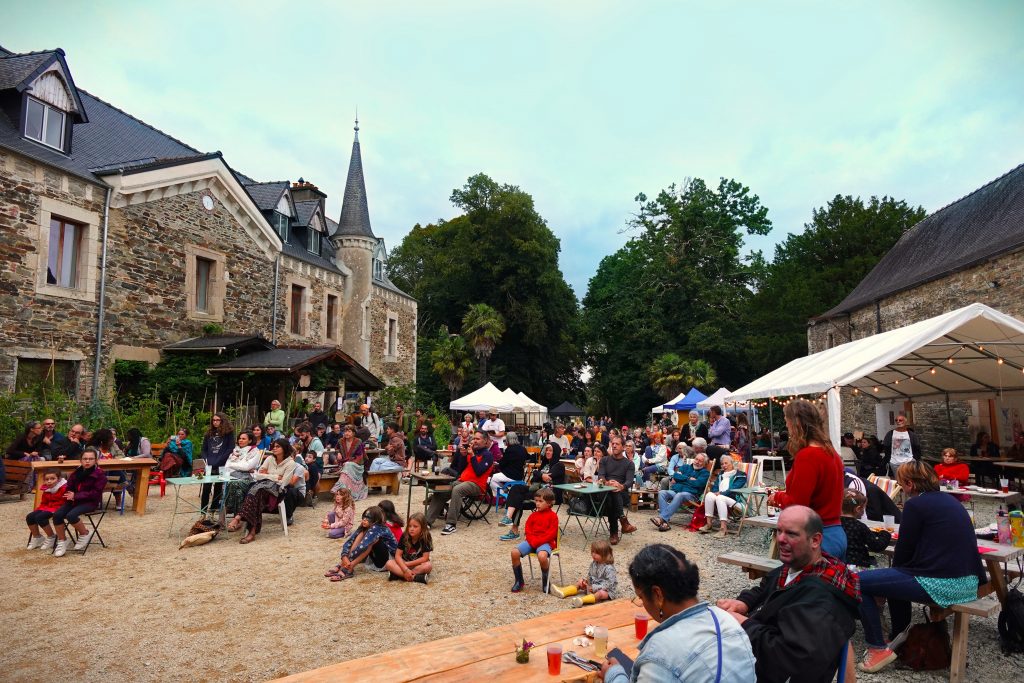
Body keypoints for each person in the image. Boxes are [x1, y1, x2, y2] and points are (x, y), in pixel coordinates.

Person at [855, 461, 986, 673]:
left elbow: (903, 552)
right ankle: (900, 635)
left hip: (940, 584)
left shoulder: (916, 505)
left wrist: (886, 580)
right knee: (893, 579)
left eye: (901, 484)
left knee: (858, 581)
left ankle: (877, 647)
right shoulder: (951, 501)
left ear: (909, 484)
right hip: (967, 582)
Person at [716, 506, 860, 683]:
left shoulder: (821, 601)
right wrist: (744, 603)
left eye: (791, 534)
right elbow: (765, 588)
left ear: (815, 540)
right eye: (779, 531)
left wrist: (744, 624)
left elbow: (786, 658)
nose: (780, 539)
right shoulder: (797, 566)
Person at [603, 543, 756, 683]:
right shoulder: (727, 620)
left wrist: (614, 675)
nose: (643, 604)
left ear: (658, 595)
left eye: (641, 597)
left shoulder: (660, 653)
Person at [768, 399, 847, 560]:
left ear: (795, 423)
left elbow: (797, 505)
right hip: (835, 532)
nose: (787, 427)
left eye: (787, 422)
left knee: (805, 584)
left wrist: (776, 497)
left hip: (814, 537)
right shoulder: (831, 452)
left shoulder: (808, 456)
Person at [226, 438, 299, 544]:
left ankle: (239, 518)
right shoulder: (269, 459)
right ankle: (252, 532)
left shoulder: (290, 463)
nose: (274, 448)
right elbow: (257, 475)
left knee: (256, 491)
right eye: (273, 446)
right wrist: (275, 476)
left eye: (277, 446)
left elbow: (284, 482)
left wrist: (267, 475)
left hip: (277, 491)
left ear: (284, 448)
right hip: (261, 486)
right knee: (257, 493)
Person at [427, 430, 494, 536]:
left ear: (485, 441)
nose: (474, 441)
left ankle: (451, 524)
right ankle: (427, 522)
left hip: (477, 485)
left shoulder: (488, 455)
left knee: (457, 490)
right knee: (442, 490)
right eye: (474, 438)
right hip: (462, 481)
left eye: (478, 439)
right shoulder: (471, 452)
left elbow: (479, 471)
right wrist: (462, 455)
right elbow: (460, 469)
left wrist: (471, 456)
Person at [500, 442, 565, 541]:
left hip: (548, 495)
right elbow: (536, 476)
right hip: (536, 490)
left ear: (555, 452)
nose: (547, 452)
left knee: (519, 500)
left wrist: (538, 474)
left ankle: (514, 531)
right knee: (516, 488)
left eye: (550, 450)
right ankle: (508, 517)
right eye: (546, 450)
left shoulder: (559, 465)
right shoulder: (544, 464)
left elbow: (547, 477)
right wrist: (540, 474)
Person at [51, 447, 107, 557]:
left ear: (96, 460)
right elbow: (69, 486)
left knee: (71, 515)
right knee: (57, 515)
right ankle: (62, 541)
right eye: (85, 458)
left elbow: (95, 493)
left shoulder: (100, 475)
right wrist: (69, 494)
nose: (87, 461)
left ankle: (85, 533)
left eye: (91, 459)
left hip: (90, 502)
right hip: (74, 501)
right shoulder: (76, 473)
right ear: (80, 460)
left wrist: (76, 495)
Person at [326, 505, 399, 581]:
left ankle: (349, 568)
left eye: (368, 518)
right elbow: (350, 540)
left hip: (388, 560)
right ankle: (343, 564)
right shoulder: (366, 526)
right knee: (361, 533)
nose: (364, 520)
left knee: (374, 541)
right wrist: (344, 556)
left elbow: (363, 546)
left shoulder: (377, 527)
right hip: (375, 557)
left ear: (375, 520)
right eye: (364, 517)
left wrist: (349, 561)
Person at [510, 488, 559, 593]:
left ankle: (546, 582)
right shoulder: (533, 515)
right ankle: (519, 581)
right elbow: (528, 530)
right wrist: (532, 541)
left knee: (542, 556)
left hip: (545, 542)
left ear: (549, 503)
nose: (537, 503)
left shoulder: (553, 516)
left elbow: (552, 534)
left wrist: (537, 542)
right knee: (514, 553)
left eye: (541, 501)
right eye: (536, 501)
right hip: (532, 542)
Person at [652, 452, 710, 531]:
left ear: (704, 463)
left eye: (700, 461)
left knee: (680, 495)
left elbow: (698, 484)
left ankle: (662, 518)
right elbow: (675, 476)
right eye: (696, 459)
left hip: (691, 494)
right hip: (676, 491)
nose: (697, 461)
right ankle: (664, 522)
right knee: (662, 493)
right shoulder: (685, 467)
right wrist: (688, 479)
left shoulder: (705, 473)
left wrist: (682, 478)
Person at [552, 540, 618, 607]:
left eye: (597, 553)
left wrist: (595, 587)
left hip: (607, 590)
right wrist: (586, 582)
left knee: (600, 594)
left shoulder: (609, 568)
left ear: (604, 554)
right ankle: (563, 591)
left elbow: (609, 584)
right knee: (580, 582)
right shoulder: (594, 563)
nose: (593, 554)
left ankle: (582, 600)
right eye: (592, 551)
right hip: (593, 586)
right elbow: (590, 575)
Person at [597, 436, 636, 545]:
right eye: (612, 443)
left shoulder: (629, 464)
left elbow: (629, 481)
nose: (614, 446)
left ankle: (614, 532)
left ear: (623, 447)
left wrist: (620, 486)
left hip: (621, 493)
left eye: (617, 444)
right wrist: (607, 483)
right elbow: (601, 476)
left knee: (613, 495)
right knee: (611, 492)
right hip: (604, 491)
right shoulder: (604, 460)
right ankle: (623, 521)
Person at [699, 454, 749, 537]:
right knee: (709, 495)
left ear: (732, 463)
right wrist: (715, 492)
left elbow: (734, 489)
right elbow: (715, 487)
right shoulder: (721, 474)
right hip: (721, 499)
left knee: (720, 498)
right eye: (722, 464)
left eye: (726, 463)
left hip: (737, 502)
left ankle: (723, 529)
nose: (724, 466)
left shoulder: (741, 475)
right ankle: (709, 525)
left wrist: (720, 493)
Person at [840, 490, 891, 570]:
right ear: (858, 509)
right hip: (858, 567)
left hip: (838, 565)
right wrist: (885, 534)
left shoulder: (835, 524)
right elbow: (877, 546)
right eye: (864, 508)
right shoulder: (860, 526)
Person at [199, 412, 235, 514]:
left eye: (217, 420)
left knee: (218, 488)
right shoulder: (209, 433)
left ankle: (213, 509)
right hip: (209, 464)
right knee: (206, 488)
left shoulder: (229, 433)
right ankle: (203, 510)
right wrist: (206, 459)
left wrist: (220, 460)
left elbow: (230, 448)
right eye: (213, 420)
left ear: (222, 421)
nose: (215, 422)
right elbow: (204, 449)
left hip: (222, 464)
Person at [25, 470, 67, 552]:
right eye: (47, 479)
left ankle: (51, 537)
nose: (49, 481)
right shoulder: (46, 489)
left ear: (58, 479)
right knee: (30, 516)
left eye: (52, 479)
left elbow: (65, 502)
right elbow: (44, 502)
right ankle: (38, 537)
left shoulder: (63, 488)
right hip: (47, 507)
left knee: (40, 517)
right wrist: (38, 510)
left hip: (59, 508)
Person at [385, 511, 433, 583]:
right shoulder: (405, 536)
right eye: (410, 526)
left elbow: (425, 558)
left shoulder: (426, 537)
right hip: (403, 563)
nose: (411, 529)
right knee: (389, 563)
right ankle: (415, 577)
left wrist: (408, 564)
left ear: (422, 528)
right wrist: (405, 569)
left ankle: (398, 575)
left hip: (417, 564)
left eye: (415, 526)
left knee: (428, 566)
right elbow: (398, 555)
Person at [222, 431, 262, 513]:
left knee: (233, 483)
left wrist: (233, 465)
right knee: (238, 492)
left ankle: (228, 507)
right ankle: (239, 516)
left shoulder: (255, 451)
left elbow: (247, 466)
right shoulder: (235, 451)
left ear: (250, 441)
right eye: (239, 438)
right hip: (234, 477)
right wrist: (241, 467)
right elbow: (226, 466)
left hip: (249, 480)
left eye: (243, 439)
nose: (240, 440)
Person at [493, 431, 527, 523]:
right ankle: (506, 493)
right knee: (498, 478)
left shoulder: (509, 450)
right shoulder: (522, 448)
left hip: (510, 475)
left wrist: (498, 464)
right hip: (520, 475)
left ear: (507, 440)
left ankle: (504, 496)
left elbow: (503, 464)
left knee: (493, 479)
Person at [331, 424, 368, 500]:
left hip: (357, 466)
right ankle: (344, 492)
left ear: (353, 433)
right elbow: (336, 448)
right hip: (345, 465)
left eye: (349, 431)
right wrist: (338, 452)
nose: (346, 433)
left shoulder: (358, 441)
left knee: (348, 465)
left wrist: (350, 461)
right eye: (345, 431)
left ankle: (340, 490)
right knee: (347, 466)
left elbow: (360, 457)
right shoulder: (341, 441)